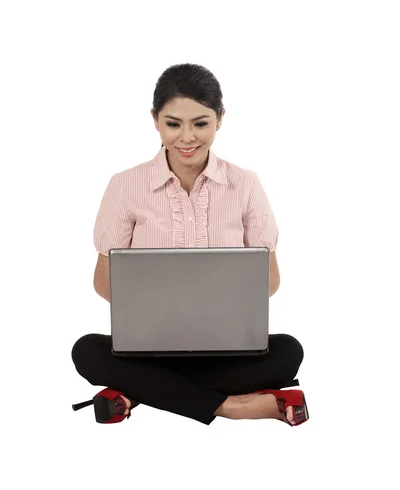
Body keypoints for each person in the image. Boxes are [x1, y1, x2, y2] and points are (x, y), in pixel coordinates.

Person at [71, 63, 309, 427]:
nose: (187, 137)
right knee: (86, 350)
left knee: (288, 351)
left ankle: (134, 393)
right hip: (149, 349)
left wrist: (222, 304)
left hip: (226, 349)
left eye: (200, 123)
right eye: (173, 123)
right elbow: (104, 283)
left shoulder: (245, 185)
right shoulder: (124, 186)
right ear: (155, 120)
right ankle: (234, 406)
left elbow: (268, 282)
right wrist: (156, 307)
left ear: (220, 119)